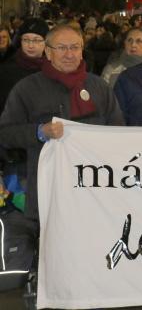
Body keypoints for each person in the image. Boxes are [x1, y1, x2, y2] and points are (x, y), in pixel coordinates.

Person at [0, 24, 124, 219]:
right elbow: (5, 134)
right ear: (48, 52)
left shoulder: (99, 87)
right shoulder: (26, 89)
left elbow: (118, 130)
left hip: (95, 188)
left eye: (75, 47)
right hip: (47, 189)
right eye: (62, 48)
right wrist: (39, 132)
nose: (69, 54)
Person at [0, 18, 49, 111]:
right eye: (26, 40)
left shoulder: (55, 70)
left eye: (36, 40)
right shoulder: (5, 71)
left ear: (46, 42)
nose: (30, 45)